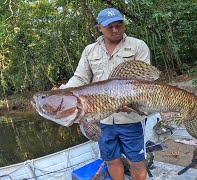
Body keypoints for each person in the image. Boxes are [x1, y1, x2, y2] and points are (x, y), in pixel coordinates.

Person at [60, 8, 150, 180]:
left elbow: (143, 81)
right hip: (101, 118)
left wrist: (131, 101)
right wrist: (64, 92)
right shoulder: (90, 51)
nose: (115, 30)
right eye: (110, 27)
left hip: (131, 116)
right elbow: (80, 77)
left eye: (119, 25)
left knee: (137, 161)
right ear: (99, 28)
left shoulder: (138, 46)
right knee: (111, 159)